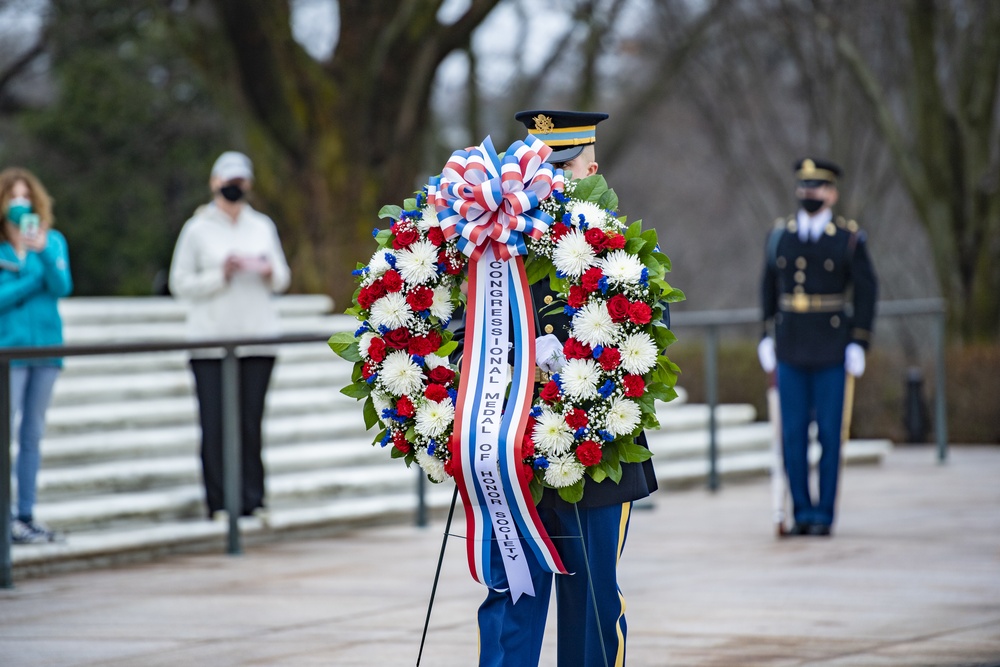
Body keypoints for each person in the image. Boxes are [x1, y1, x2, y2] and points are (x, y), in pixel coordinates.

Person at [472, 110, 659, 667]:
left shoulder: (617, 250)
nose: (547, 177)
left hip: (594, 457)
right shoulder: (496, 249)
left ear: (591, 168)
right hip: (515, 452)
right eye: (534, 164)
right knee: (510, 607)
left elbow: (647, 339)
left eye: (561, 165)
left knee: (590, 613)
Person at [758, 158, 878, 537]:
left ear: (832, 193)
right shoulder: (781, 236)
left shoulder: (848, 238)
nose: (811, 194)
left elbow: (866, 289)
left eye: (819, 188)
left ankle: (823, 513)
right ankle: (801, 512)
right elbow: (767, 287)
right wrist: (765, 334)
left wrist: (859, 340)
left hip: (831, 347)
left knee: (829, 433)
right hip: (791, 345)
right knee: (792, 434)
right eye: (805, 187)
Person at [168, 151, 291, 520]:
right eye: (227, 181)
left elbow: (283, 278)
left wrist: (266, 270)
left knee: (250, 422)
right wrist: (220, 274)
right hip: (210, 342)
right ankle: (220, 502)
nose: (233, 188)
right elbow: (179, 283)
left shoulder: (262, 226)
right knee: (216, 423)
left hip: (258, 338)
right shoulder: (197, 228)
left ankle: (253, 499)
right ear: (214, 183)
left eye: (240, 182)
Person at [0, 167, 73, 544]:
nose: (19, 203)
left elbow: (62, 285)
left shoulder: (53, 241)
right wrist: (32, 280)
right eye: (12, 196)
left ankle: (25, 513)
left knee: (32, 434)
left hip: (46, 350)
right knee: (4, 432)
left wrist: (42, 255)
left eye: (25, 196)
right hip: (8, 353)